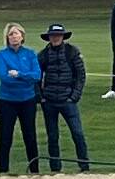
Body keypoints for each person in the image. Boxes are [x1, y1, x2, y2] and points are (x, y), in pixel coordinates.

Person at [35, 22, 91, 171]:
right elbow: (36, 78)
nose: (55, 38)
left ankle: (84, 165)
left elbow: (81, 75)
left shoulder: (72, 52)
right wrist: (41, 98)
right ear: (49, 38)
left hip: (68, 100)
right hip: (50, 101)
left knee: (77, 134)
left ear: (63, 37)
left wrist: (74, 96)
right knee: (52, 137)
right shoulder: (43, 55)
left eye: (58, 35)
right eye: (53, 36)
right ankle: (55, 168)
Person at [0, 24, 41, 174]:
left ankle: (35, 170)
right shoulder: (2, 55)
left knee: (30, 136)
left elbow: (36, 75)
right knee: (6, 137)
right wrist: (25, 77)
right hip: (7, 100)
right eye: (11, 34)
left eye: (16, 34)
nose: (14, 37)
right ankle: (3, 171)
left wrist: (19, 74)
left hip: (27, 99)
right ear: (7, 37)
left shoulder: (30, 54)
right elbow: (4, 78)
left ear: (22, 36)